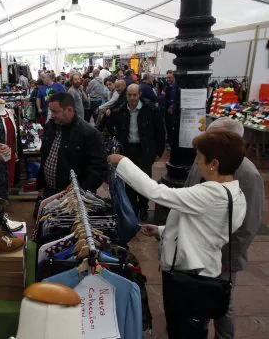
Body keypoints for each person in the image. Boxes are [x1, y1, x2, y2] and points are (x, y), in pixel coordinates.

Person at [108, 130, 247, 339]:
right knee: (188, 328)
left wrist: (123, 163)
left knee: (184, 331)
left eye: (199, 158)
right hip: (202, 272)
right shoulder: (234, 193)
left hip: (190, 276)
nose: (197, 163)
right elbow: (205, 229)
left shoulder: (212, 193)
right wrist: (163, 231)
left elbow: (158, 193)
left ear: (214, 163)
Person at [185, 118, 264, 339]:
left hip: (223, 258)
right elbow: (188, 189)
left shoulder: (248, 174)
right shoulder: (205, 155)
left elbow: (247, 228)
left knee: (222, 305)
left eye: (214, 137)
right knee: (197, 302)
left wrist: (222, 259)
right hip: (196, 249)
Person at [106, 84, 165, 221]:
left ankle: (143, 207)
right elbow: (108, 123)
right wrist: (117, 134)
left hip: (145, 150)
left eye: (134, 95)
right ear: (126, 95)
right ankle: (132, 207)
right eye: (129, 95)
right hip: (127, 150)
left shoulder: (150, 110)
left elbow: (160, 132)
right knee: (129, 180)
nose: (132, 98)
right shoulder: (121, 110)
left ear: (139, 95)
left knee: (144, 181)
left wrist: (159, 152)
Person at [37, 92, 108, 198]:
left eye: (55, 112)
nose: (52, 115)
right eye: (51, 111)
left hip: (73, 198)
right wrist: (41, 186)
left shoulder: (89, 134)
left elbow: (99, 168)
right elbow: (44, 158)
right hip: (48, 192)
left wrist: (80, 190)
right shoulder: (50, 127)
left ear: (69, 110)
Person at [164, 70, 177, 146]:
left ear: (174, 77)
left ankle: (172, 142)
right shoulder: (166, 86)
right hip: (166, 110)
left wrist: (172, 106)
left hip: (174, 110)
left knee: (173, 127)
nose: (168, 79)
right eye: (167, 78)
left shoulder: (177, 86)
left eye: (170, 77)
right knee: (168, 126)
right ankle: (169, 141)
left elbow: (177, 98)